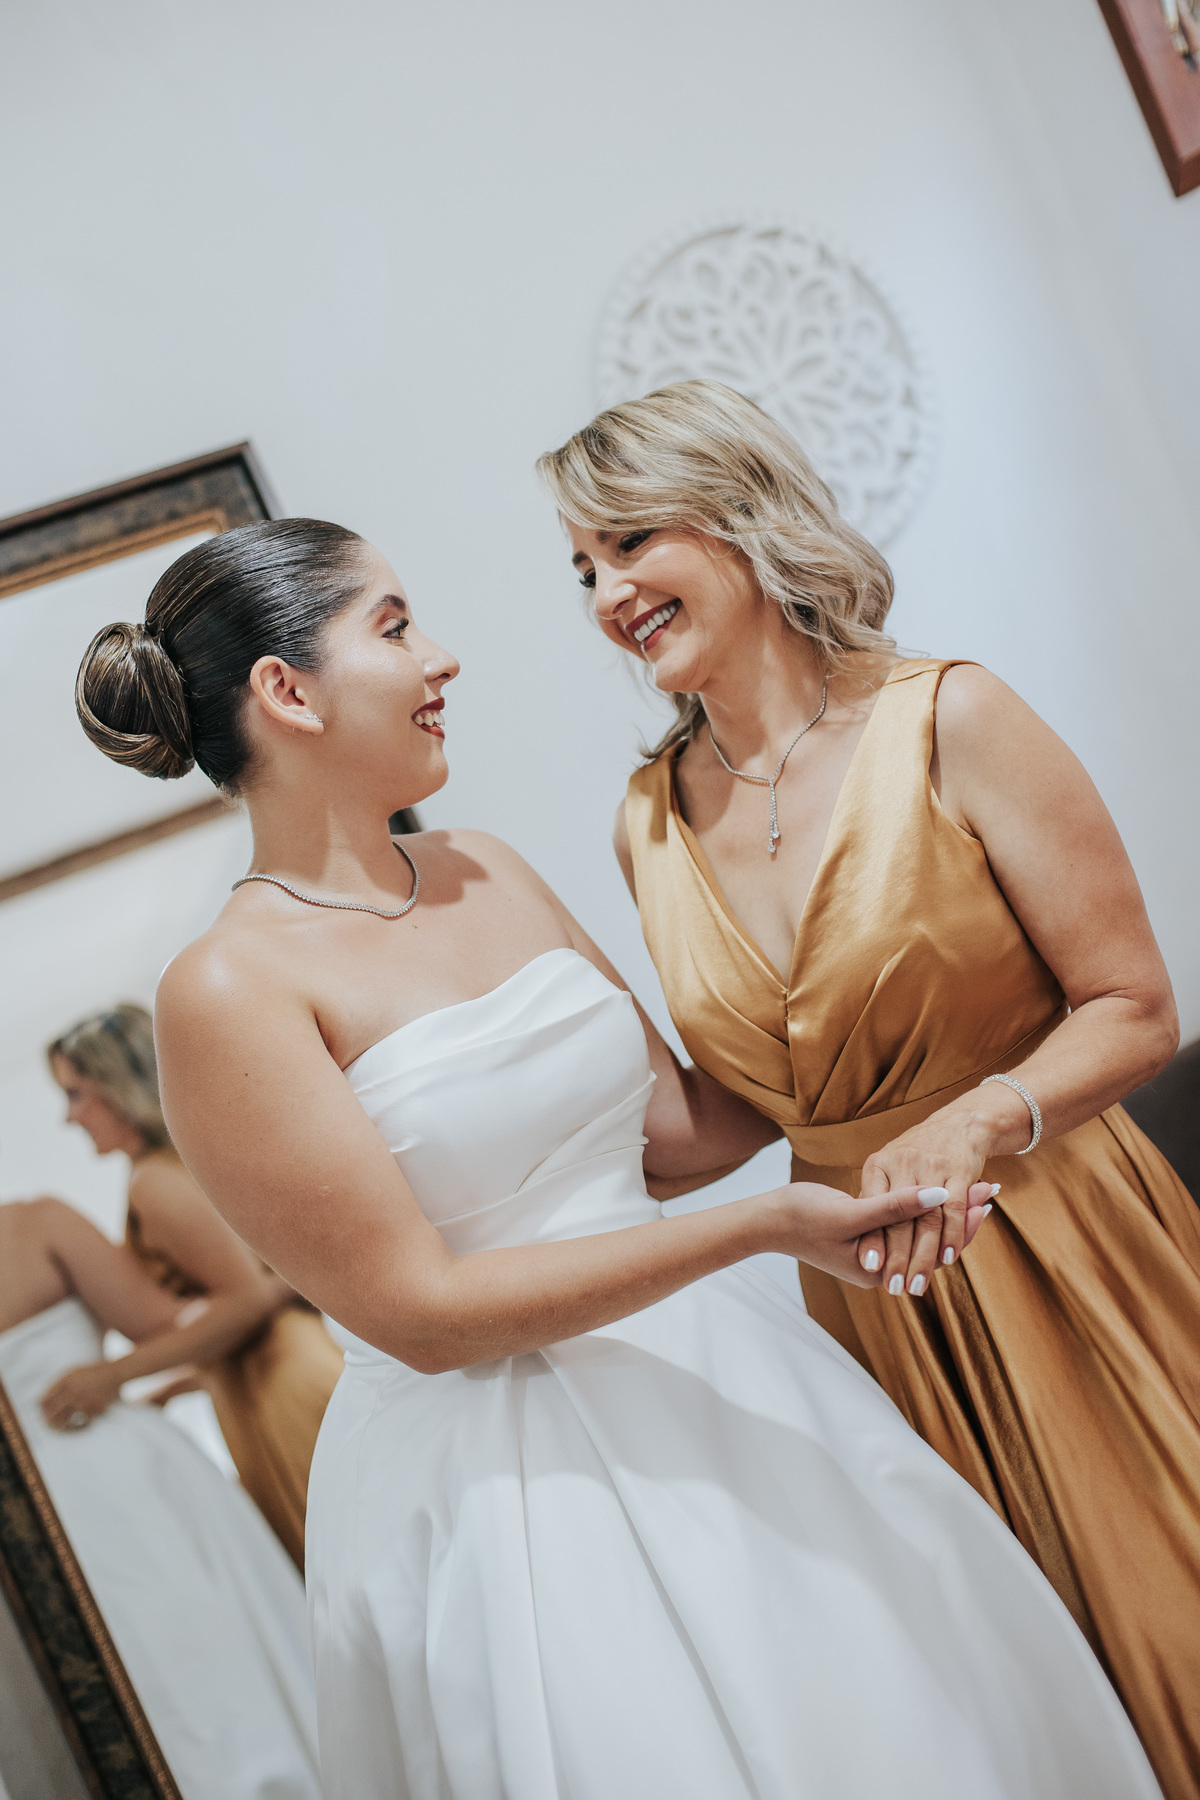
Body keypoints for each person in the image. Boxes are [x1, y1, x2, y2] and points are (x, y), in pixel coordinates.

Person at [71, 516, 1162, 1800]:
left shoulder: (487, 868)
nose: (443, 659)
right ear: (287, 691)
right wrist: (766, 1228)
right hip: (508, 1485)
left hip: (721, 1381)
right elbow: (422, 1316)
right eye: (396, 627)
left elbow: (684, 1129)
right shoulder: (224, 990)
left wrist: (907, 966)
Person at [537, 378, 1200, 1800]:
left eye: (630, 541)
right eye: (580, 567)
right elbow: (739, 1113)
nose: (606, 593)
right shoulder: (645, 821)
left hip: (1066, 1238)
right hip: (870, 1300)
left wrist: (982, 1115)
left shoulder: (953, 716)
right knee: (1021, 1688)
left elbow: (1136, 1008)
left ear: (739, 515)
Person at [0, 1196, 321, 1800]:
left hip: (29, 1525)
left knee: (138, 1670)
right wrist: (114, 1376)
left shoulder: (37, 1225)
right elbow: (167, 1322)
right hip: (112, 1474)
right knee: (200, 1643)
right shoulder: (35, 1224)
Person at [45, 1003, 345, 1568]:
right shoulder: (181, 1162)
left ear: (116, 1084)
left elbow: (248, 1302)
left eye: (75, 1093)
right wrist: (177, 1386)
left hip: (278, 1384)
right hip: (263, 1374)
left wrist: (113, 1376)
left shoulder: (154, 1182)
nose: (69, 1117)